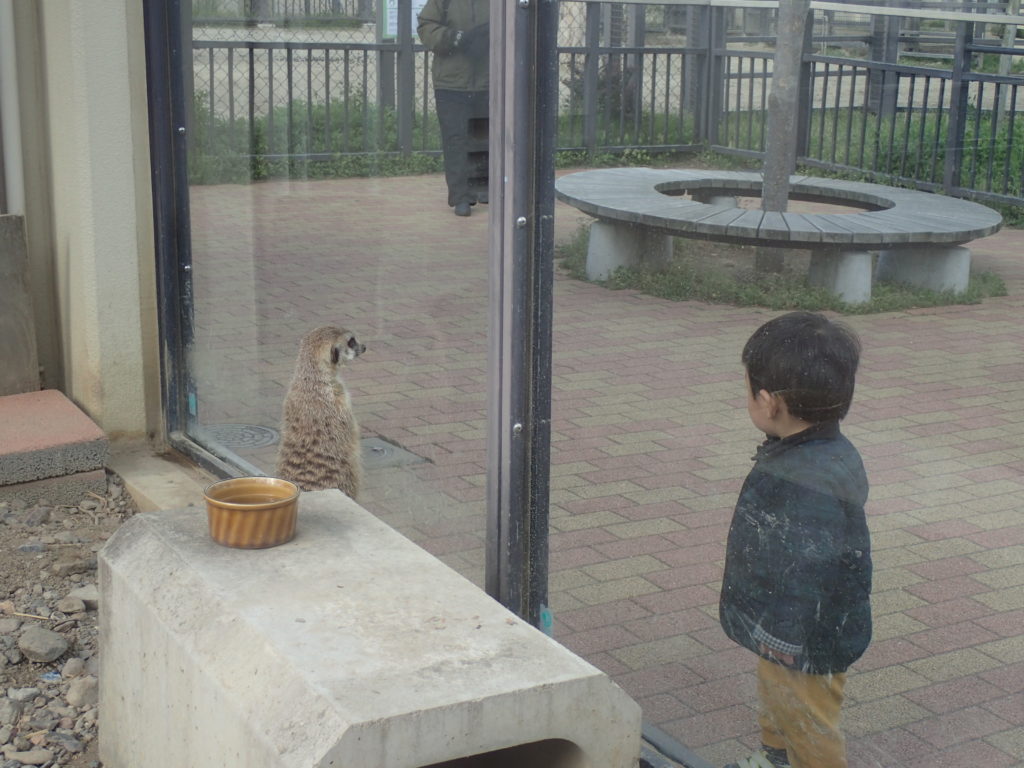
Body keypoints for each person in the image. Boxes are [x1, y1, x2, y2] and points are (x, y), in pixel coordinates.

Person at [719, 311, 872, 768]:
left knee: (808, 721)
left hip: (806, 635)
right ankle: (776, 759)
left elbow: (811, 570)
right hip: (786, 629)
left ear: (769, 402)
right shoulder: (816, 451)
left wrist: (783, 637)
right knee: (777, 701)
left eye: (746, 388)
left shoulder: (810, 481)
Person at [417, 0, 489, 217]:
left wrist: (490, 38)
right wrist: (456, 39)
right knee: (455, 139)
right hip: (451, 83)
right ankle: (461, 196)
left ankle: (483, 187)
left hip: (489, 79)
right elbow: (426, 26)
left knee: (484, 136)